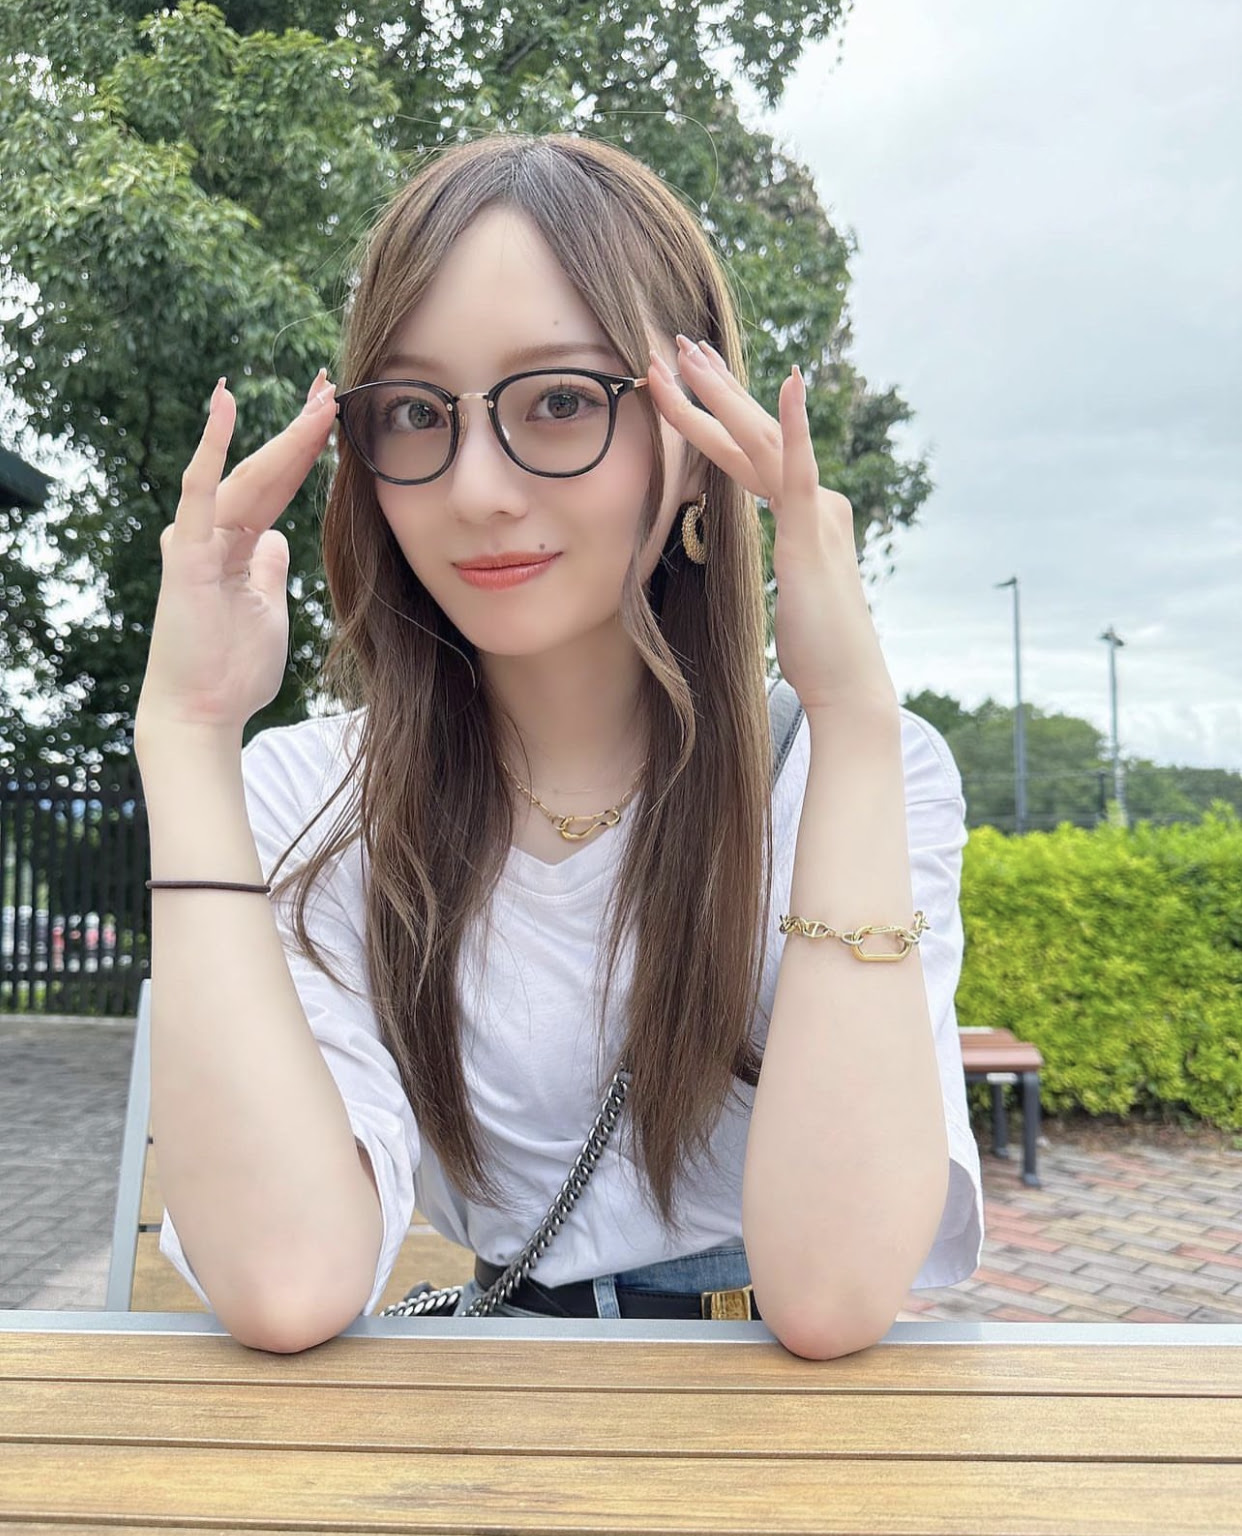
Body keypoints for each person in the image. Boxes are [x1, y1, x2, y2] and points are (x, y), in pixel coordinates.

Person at [134, 133, 983, 1359]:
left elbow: (835, 1296)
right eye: (416, 413)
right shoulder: (309, 799)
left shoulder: (851, 774)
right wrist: (185, 734)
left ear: (697, 438)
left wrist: (852, 717)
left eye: (562, 402)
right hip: (492, 1411)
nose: (478, 489)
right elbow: (284, 1283)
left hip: (783, 1425)